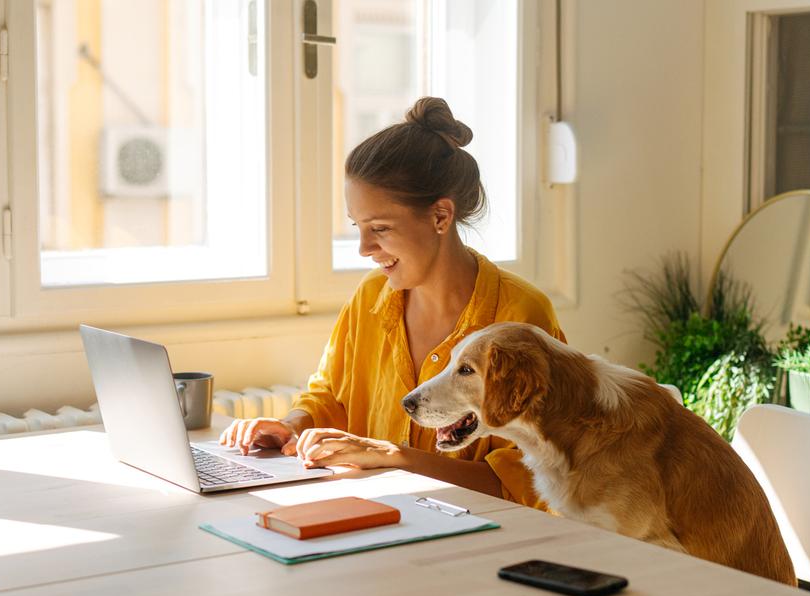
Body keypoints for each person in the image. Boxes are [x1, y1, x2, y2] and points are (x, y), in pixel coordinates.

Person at [219, 97, 564, 506]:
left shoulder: (521, 316)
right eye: (358, 227)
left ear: (440, 217)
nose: (364, 247)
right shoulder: (370, 297)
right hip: (376, 519)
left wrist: (398, 459)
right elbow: (331, 396)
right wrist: (291, 425)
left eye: (379, 227)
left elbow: (525, 484)